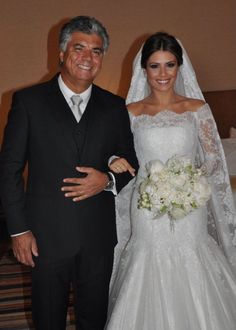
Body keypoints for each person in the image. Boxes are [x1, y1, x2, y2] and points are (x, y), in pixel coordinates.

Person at [0, 16, 138, 330]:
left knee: (94, 318)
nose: (88, 58)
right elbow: (8, 170)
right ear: (62, 53)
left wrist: (108, 180)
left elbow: (131, 160)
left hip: (98, 236)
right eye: (79, 48)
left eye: (97, 51)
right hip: (45, 237)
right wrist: (19, 231)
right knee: (48, 318)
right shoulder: (28, 102)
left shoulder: (114, 106)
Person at [104, 32, 236, 329]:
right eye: (154, 66)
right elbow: (115, 154)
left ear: (180, 67)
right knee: (148, 261)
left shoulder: (197, 109)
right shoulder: (130, 113)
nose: (163, 74)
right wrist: (113, 161)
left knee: (193, 257)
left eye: (169, 64)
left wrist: (189, 181)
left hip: (190, 204)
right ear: (144, 69)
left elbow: (214, 159)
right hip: (146, 206)